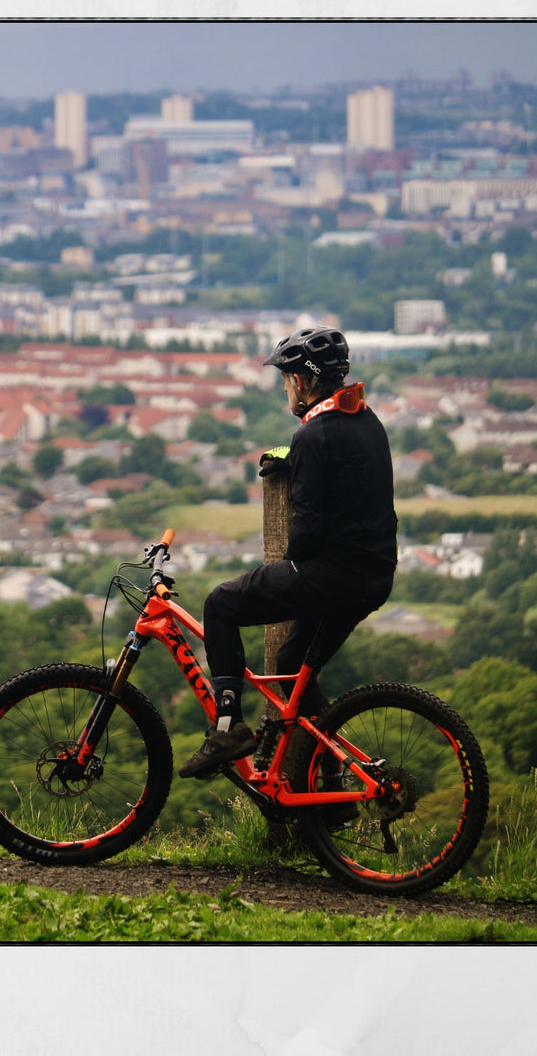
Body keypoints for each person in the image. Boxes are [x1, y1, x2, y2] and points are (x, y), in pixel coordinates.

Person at [179, 325, 398, 779]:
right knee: (290, 666)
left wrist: (292, 561)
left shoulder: (313, 436)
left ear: (301, 381)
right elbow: (345, 473)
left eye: (286, 380)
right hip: (374, 575)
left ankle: (228, 727)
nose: (285, 389)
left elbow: (308, 531)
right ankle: (333, 780)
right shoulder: (367, 421)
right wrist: (295, 461)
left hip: (331, 575)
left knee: (220, 604)